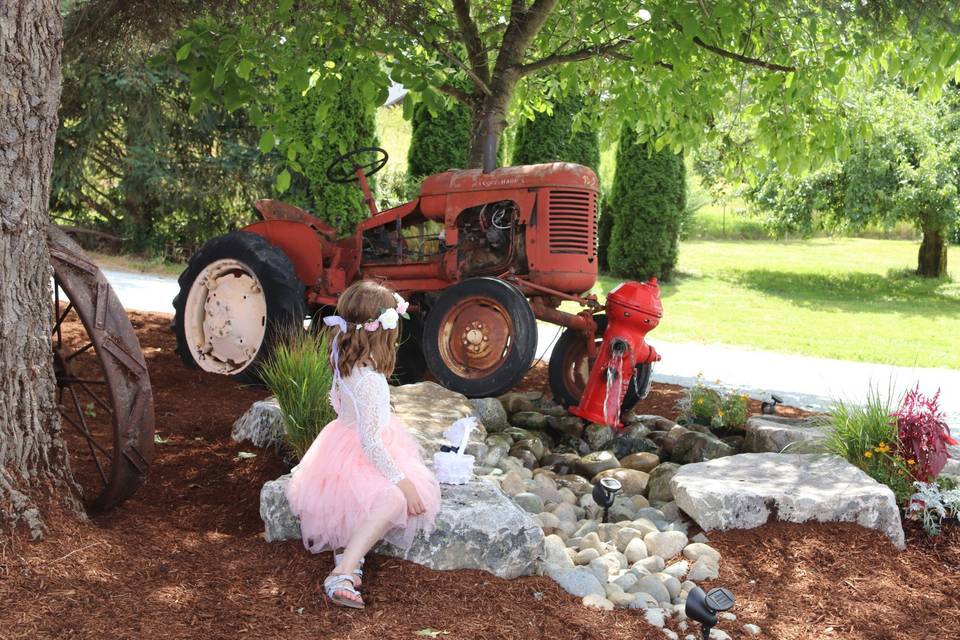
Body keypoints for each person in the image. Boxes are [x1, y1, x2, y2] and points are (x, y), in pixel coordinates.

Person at [285, 280, 441, 609]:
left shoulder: (343, 355)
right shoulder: (370, 379)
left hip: (341, 443)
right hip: (362, 450)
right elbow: (371, 443)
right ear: (383, 331)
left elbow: (342, 406)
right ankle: (342, 572)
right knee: (394, 499)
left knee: (375, 497)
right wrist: (406, 484)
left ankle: (350, 555)